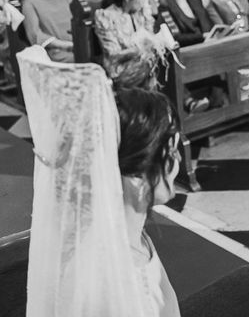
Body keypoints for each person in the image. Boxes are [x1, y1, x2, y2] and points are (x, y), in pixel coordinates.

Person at [17, 45, 181, 316]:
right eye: (169, 150)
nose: (177, 162)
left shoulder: (126, 231)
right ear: (136, 179)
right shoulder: (110, 290)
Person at [94, 0, 156, 67]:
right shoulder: (105, 16)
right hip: (121, 67)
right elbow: (113, 54)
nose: (143, 1)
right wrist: (141, 49)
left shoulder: (137, 13)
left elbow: (149, 35)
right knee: (153, 65)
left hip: (141, 61)